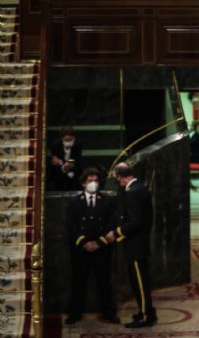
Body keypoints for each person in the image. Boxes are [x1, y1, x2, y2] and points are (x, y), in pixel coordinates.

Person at [66, 167, 119, 325]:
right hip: (81, 250)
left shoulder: (107, 201)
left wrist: (99, 243)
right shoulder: (74, 202)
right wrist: (84, 243)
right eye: (90, 181)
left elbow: (111, 223)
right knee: (78, 282)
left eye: (96, 180)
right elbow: (71, 226)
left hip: (101, 249)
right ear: (83, 183)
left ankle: (109, 313)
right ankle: (75, 313)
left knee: (104, 282)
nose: (93, 183)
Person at [106, 163, 156, 328]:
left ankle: (145, 317)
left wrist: (116, 233)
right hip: (140, 243)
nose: (117, 182)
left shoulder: (133, 192)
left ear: (121, 177)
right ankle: (146, 311)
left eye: (116, 178)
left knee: (140, 283)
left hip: (136, 246)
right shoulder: (140, 188)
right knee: (141, 282)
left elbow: (136, 222)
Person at [49, 125, 83, 190]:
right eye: (66, 140)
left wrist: (63, 163)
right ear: (62, 138)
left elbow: (76, 160)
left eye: (70, 140)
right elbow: (55, 162)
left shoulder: (78, 144)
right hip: (59, 172)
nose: (68, 142)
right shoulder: (55, 145)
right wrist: (63, 165)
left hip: (73, 170)